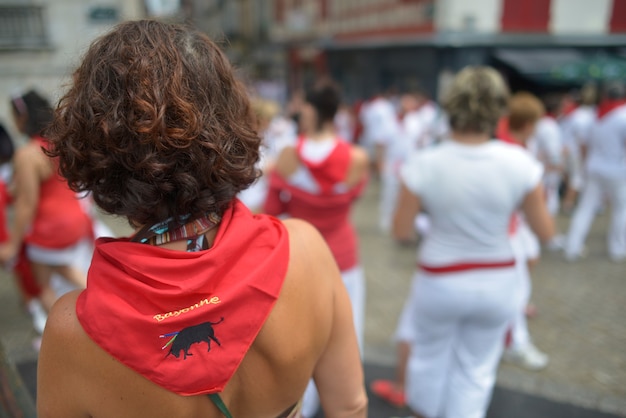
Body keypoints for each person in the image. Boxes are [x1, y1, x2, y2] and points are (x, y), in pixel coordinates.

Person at [37, 20, 367, 418]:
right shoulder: (306, 251)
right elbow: (349, 407)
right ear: (230, 122)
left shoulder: (74, 331)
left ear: (96, 147)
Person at [391, 66, 554, 418]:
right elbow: (546, 232)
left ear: (450, 107)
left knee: (428, 362)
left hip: (440, 276)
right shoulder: (521, 163)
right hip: (498, 278)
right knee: (476, 372)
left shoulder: (423, 163)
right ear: (499, 110)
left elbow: (401, 231)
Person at [263, 78, 369, 417]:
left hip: (298, 258)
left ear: (310, 109)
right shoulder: (357, 157)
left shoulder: (288, 156)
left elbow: (271, 210)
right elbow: (352, 198)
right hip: (342, 257)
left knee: (298, 342)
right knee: (346, 337)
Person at [0, 90, 93, 313]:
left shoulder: (27, 154)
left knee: (43, 288)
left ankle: (66, 331)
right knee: (65, 270)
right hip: (77, 220)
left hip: (49, 230)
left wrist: (13, 244)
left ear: (22, 117)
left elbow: (26, 205)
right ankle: (101, 305)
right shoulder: (63, 143)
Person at [564, 80, 626, 262]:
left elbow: (584, 145)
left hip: (594, 167)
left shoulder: (595, 115)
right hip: (617, 169)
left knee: (585, 208)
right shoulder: (622, 115)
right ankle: (618, 249)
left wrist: (585, 165)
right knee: (621, 210)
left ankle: (572, 247)